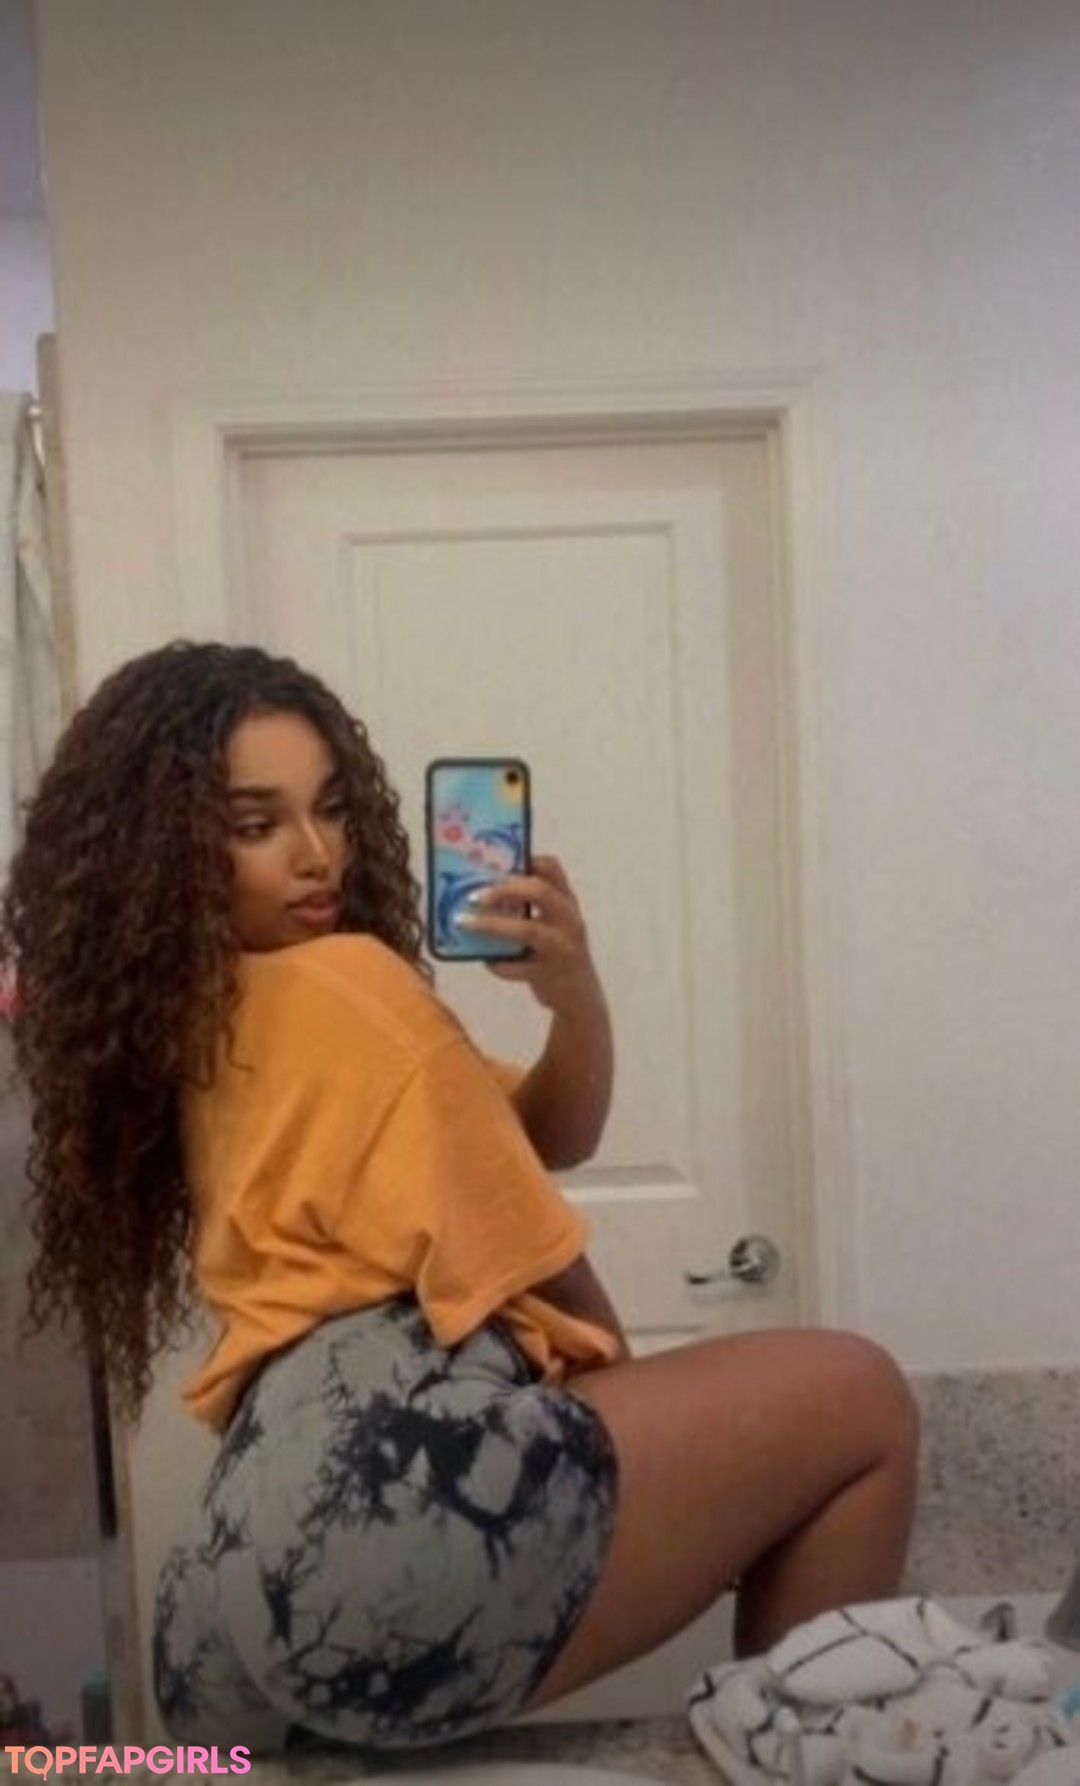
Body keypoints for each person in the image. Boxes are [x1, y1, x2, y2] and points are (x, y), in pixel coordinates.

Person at [0, 640, 919, 1755]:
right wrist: (686, 1465)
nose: (316, 855)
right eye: (255, 824)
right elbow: (537, 1250)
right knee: (861, 1398)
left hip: (235, 1565)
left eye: (332, 808)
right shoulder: (355, 988)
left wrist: (572, 998)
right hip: (391, 1496)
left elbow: (540, 1135)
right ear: (171, 850)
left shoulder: (197, 1021)